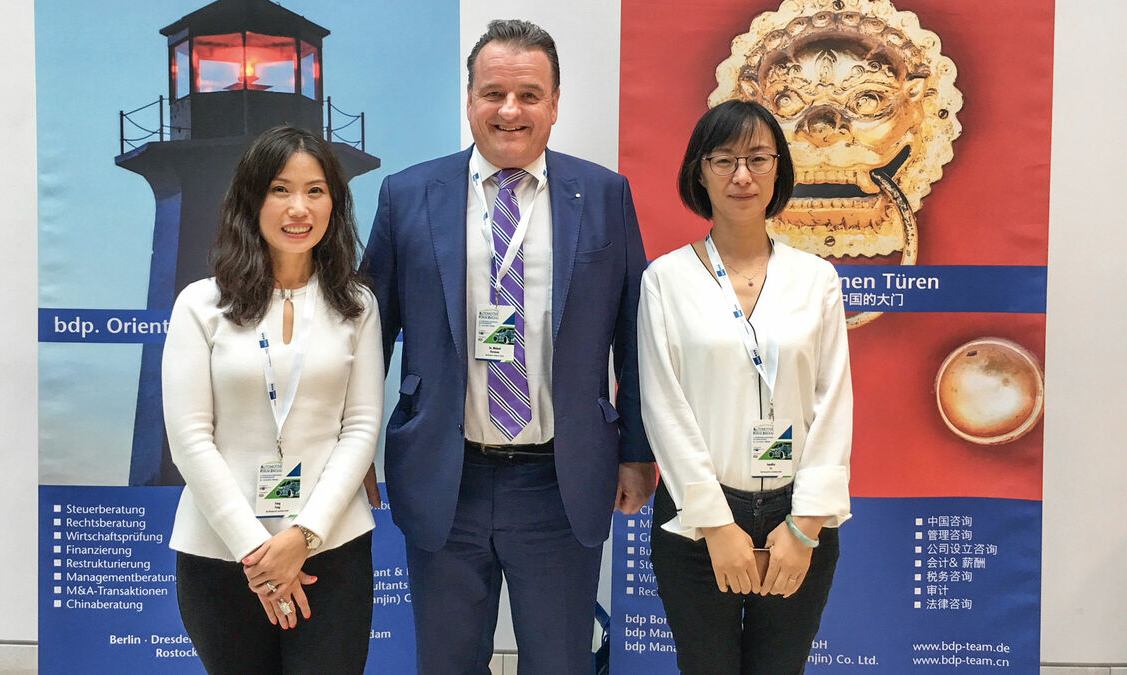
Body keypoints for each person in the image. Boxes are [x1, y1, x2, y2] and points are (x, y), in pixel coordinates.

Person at [362, 18, 654, 674]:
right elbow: (366, 333)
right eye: (493, 93)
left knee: (558, 663)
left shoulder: (604, 195)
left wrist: (637, 452)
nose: (510, 110)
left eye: (529, 93)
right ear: (468, 100)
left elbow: (634, 333)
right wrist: (355, 452)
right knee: (445, 663)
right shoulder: (408, 195)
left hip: (560, 479)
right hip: (444, 476)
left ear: (555, 104)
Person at [638, 100, 853, 674]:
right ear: (698, 171)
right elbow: (662, 406)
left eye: (758, 158)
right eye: (724, 159)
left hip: (797, 518)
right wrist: (716, 524)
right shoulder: (665, 279)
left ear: (778, 169)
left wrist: (805, 526)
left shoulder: (817, 280)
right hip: (697, 519)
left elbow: (834, 403)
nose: (742, 175)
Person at [162, 126, 383, 674]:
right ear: (251, 198)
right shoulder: (200, 304)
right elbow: (190, 438)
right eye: (280, 189)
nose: (298, 208)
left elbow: (360, 428)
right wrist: (259, 556)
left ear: (335, 200)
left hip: (332, 550)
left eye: (315, 190)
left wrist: (302, 538)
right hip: (221, 553)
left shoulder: (356, 305)